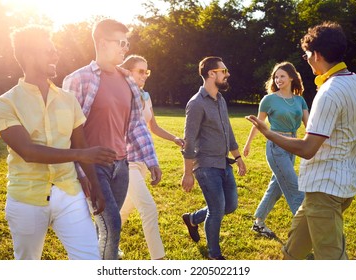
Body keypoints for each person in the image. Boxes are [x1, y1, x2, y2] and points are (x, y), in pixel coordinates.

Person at [0, 25, 117, 260]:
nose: (55, 55)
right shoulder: (5, 103)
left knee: (90, 261)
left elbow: (81, 145)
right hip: (26, 197)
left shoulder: (68, 99)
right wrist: (81, 156)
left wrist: (95, 186)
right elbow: (28, 152)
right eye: (48, 50)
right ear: (29, 56)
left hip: (69, 192)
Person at [246, 21, 356, 259]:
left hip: (326, 189)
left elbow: (309, 148)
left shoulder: (330, 91)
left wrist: (269, 133)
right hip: (344, 185)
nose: (307, 59)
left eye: (308, 54)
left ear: (318, 55)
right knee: (293, 251)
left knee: (331, 261)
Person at [62, 19, 162, 260]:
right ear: (101, 42)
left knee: (103, 227)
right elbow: (66, 131)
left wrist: (151, 160)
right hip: (93, 167)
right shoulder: (78, 80)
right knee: (113, 225)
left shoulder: (128, 80)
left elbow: (136, 123)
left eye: (127, 43)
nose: (125, 48)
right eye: (121, 43)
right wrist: (81, 171)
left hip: (121, 166)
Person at [119, 54, 185, 260]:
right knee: (148, 209)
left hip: (142, 163)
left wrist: (174, 138)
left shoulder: (145, 97)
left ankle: (100, 242)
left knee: (124, 210)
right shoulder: (120, 95)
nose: (145, 75)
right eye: (140, 71)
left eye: (146, 71)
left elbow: (152, 126)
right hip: (125, 161)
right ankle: (159, 260)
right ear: (128, 72)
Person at [181, 56, 247, 260]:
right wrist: (187, 173)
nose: (227, 74)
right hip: (206, 166)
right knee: (217, 210)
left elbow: (228, 130)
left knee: (230, 206)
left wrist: (238, 157)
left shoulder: (221, 100)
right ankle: (214, 255)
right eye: (224, 71)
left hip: (223, 162)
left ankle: (192, 219)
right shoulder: (196, 104)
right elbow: (189, 141)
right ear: (212, 73)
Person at [243, 62, 309, 238]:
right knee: (295, 187)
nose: (278, 79)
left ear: (291, 78)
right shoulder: (269, 99)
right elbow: (259, 123)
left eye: (282, 76)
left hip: (292, 146)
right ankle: (306, 229)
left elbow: (309, 126)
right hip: (275, 147)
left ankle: (258, 223)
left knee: (276, 187)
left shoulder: (299, 100)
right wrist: (248, 144)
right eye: (276, 77)